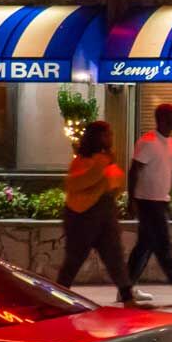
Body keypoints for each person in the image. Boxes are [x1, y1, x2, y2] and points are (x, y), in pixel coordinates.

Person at [58, 121, 143, 307]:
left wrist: (107, 172)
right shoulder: (81, 160)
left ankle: (128, 298)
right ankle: (56, 298)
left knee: (115, 256)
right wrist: (102, 169)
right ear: (96, 137)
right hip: (82, 217)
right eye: (106, 134)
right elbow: (76, 183)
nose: (111, 137)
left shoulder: (106, 159)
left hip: (105, 213)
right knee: (74, 259)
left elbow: (115, 183)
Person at [127, 103, 172, 303]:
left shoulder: (171, 143)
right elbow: (134, 171)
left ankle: (126, 288)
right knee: (163, 244)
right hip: (147, 201)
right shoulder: (148, 142)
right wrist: (131, 200)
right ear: (163, 119)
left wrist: (169, 195)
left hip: (161, 200)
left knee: (145, 246)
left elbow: (167, 170)